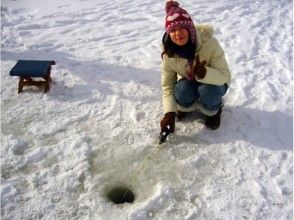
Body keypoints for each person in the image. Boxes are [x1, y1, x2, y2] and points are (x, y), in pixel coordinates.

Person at [160, 0, 231, 134]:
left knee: (207, 91)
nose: (178, 33)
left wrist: (205, 73)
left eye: (182, 28)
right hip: (190, 81)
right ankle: (186, 107)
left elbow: (225, 76)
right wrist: (169, 113)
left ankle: (213, 110)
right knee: (182, 90)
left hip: (215, 84)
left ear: (190, 28)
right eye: (173, 30)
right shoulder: (168, 52)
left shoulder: (210, 43)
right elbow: (167, 86)